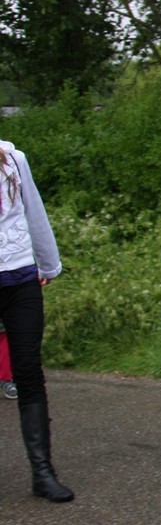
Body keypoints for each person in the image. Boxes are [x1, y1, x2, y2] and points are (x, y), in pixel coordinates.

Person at [0, 139, 70, 501]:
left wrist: (48, 264)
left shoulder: (14, 160)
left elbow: (34, 212)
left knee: (27, 370)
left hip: (20, 279)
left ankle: (42, 473)